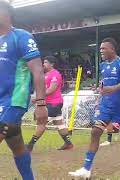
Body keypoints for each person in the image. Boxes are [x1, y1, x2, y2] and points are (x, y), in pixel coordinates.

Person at [69, 38, 120, 178]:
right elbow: (104, 84)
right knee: (95, 132)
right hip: (106, 105)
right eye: (100, 49)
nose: (101, 51)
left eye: (103, 48)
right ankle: (86, 169)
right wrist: (100, 96)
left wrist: (114, 88)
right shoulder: (103, 65)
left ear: (112, 49)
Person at [0, 1, 48, 179]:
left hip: (14, 100)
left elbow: (37, 70)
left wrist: (41, 103)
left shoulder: (21, 36)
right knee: (17, 144)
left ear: (5, 13)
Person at [27, 56, 73, 151]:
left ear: (52, 64)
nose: (43, 64)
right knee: (59, 123)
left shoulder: (55, 74)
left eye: (45, 62)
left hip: (54, 103)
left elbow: (51, 90)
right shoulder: (45, 74)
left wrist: (38, 97)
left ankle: (30, 145)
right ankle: (68, 143)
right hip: (50, 103)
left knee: (41, 123)